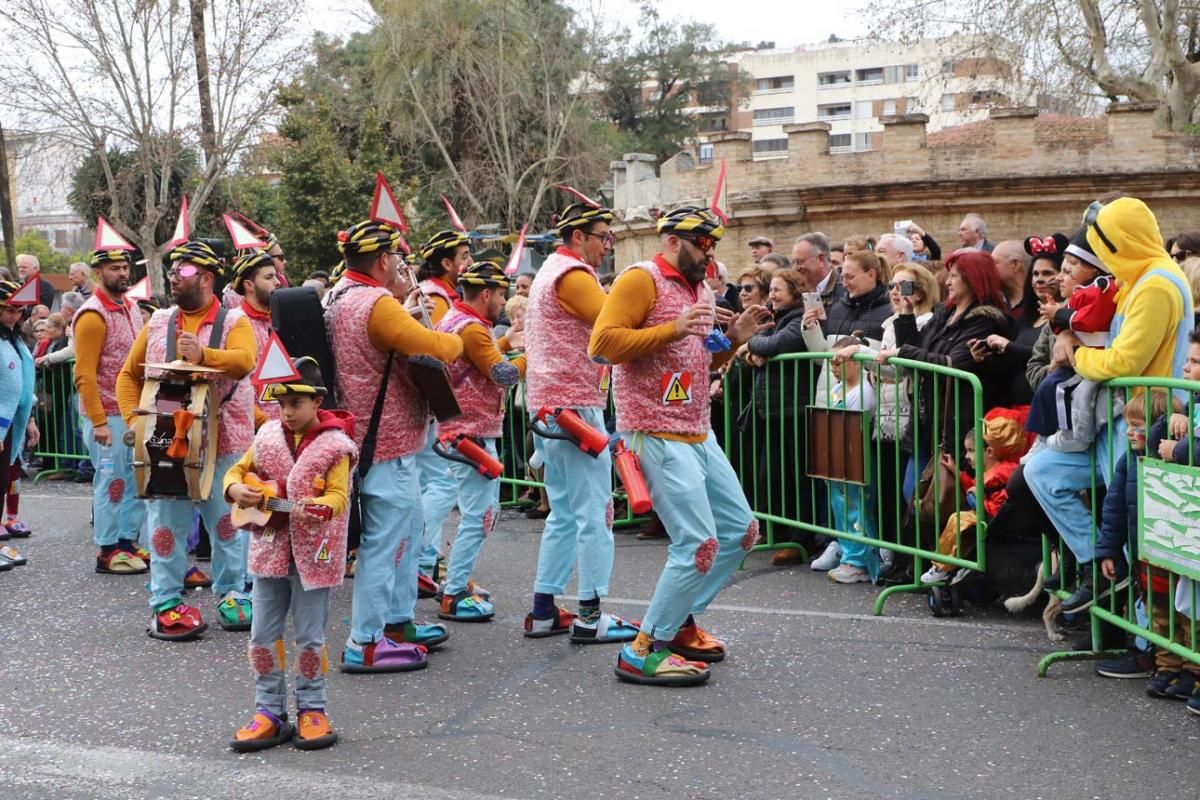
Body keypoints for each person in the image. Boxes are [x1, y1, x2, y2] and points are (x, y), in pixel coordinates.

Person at [589, 204, 772, 686]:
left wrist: (733, 339)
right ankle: (643, 649)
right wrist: (673, 327)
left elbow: (701, 358)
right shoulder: (639, 279)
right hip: (652, 431)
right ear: (673, 241)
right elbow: (602, 345)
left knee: (740, 532)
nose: (709, 255)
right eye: (702, 244)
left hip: (697, 430)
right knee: (698, 543)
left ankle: (678, 623)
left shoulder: (700, 287)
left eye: (713, 245)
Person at [1025, 198, 1193, 584]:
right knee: (1042, 473)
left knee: (1140, 529)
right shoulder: (1137, 277)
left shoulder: (1156, 285)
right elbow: (1088, 315)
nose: (1099, 254)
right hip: (1119, 416)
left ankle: (1143, 631)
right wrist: (1067, 330)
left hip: (1145, 419)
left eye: (1103, 244)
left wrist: (1075, 355)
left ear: (1119, 242)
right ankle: (1100, 569)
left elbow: (1123, 362)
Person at [323, 219, 463, 672]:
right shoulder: (376, 303)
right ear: (383, 260)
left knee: (405, 534)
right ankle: (365, 640)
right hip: (383, 445)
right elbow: (436, 347)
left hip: (365, 437)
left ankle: (397, 622)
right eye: (397, 259)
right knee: (385, 544)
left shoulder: (336, 294)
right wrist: (463, 334)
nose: (402, 266)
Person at [116, 240, 257, 640]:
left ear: (208, 278)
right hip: (165, 439)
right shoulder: (159, 321)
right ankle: (165, 602)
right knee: (166, 524)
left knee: (229, 523)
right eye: (174, 268)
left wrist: (205, 355)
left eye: (185, 269)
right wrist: (135, 422)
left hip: (226, 440)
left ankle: (233, 593)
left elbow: (245, 361)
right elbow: (128, 376)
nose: (175, 274)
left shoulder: (234, 321)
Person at [226, 357, 357, 752]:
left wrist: (320, 507)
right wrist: (236, 491)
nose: (287, 411)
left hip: (314, 555)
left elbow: (338, 495)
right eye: (282, 402)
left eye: (296, 402)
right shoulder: (266, 435)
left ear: (318, 401)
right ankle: (268, 710)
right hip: (269, 550)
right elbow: (236, 472)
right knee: (262, 636)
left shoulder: (337, 446)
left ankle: (312, 708)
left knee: (310, 638)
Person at [524, 197, 637, 643]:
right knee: (596, 512)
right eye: (602, 238)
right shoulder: (571, 273)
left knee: (566, 514)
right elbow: (617, 319)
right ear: (578, 237)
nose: (607, 246)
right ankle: (590, 615)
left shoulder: (550, 271)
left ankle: (544, 609)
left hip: (554, 404)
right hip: (572, 405)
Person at [830, 263, 941, 574]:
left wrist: (873, 360)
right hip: (886, 411)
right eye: (892, 285)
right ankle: (893, 553)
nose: (895, 291)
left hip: (912, 411)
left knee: (914, 490)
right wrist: (868, 357)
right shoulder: (892, 321)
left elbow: (903, 366)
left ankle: (916, 559)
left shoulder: (928, 320)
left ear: (920, 290)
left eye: (903, 286)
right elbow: (885, 366)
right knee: (888, 489)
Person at [434, 263, 526, 623]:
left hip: (463, 429)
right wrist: (534, 357)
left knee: (477, 514)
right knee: (480, 516)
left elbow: (474, 361)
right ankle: (455, 592)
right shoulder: (473, 328)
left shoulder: (459, 320)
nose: (503, 301)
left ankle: (455, 579)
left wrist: (503, 342)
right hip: (471, 433)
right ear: (486, 294)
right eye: (502, 294)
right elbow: (501, 373)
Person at [879, 250, 1012, 462]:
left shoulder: (985, 320)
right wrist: (906, 312)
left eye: (954, 276)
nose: (947, 282)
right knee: (913, 489)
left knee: (943, 491)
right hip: (927, 419)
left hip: (959, 425)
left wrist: (903, 352)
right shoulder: (944, 313)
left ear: (972, 279)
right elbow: (915, 346)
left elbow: (951, 365)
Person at [73, 247, 148, 575]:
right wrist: (99, 421)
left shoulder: (130, 307)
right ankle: (107, 550)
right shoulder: (92, 315)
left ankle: (126, 543)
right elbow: (84, 374)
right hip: (107, 415)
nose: (122, 273)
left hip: (131, 412)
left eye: (124, 267)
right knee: (112, 482)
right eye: (114, 268)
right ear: (98, 273)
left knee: (135, 481)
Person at [1024, 230, 1118, 459]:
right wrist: (1057, 320)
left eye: (1069, 269)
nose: (1058, 277)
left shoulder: (1102, 288)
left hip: (1094, 360)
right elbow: (1061, 329)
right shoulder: (1079, 293)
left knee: (1075, 395)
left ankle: (1073, 436)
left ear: (1093, 268)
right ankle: (1045, 436)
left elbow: (1089, 319)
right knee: (1052, 388)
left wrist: (1059, 315)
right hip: (1080, 362)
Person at [742, 268, 812, 567]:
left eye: (778, 289)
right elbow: (758, 345)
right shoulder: (775, 319)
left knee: (793, 478)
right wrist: (751, 350)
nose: (772, 294)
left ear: (794, 292)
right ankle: (776, 531)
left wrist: (752, 344)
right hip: (770, 410)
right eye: (770, 289)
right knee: (769, 477)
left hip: (791, 409)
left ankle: (798, 540)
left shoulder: (799, 318)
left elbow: (772, 345)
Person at [920, 414, 1024, 584]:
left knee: (957, 519)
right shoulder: (995, 471)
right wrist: (957, 472)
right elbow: (975, 486)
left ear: (989, 451)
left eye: (971, 451)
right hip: (991, 516)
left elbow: (998, 506)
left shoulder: (998, 474)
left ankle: (942, 566)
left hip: (995, 519)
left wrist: (977, 499)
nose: (967, 456)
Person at [984, 235, 1067, 406]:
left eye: (1047, 273)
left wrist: (1010, 347)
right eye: (1035, 274)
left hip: (1049, 406)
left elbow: (1052, 357)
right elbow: (1013, 362)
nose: (1039, 279)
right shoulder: (1027, 316)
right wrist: (985, 356)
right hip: (1016, 408)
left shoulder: (1068, 316)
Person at [824, 334, 879, 584]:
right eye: (832, 363)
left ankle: (859, 560)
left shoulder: (863, 392)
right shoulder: (837, 389)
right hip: (836, 455)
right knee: (841, 508)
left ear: (855, 362)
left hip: (853, 457)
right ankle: (847, 553)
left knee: (857, 509)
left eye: (839, 362)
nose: (834, 369)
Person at [0, 280, 39, 564]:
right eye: (7, 310)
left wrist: (30, 419)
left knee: (4, 481)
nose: (13, 316)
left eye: (18, 311)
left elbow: (23, 386)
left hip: (13, 421)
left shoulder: (12, 338)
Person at [229, 248, 283, 425]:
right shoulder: (233, 323)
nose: (277, 282)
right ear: (249, 285)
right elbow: (231, 389)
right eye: (269, 278)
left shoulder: (282, 318)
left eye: (276, 276)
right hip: (253, 430)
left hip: (288, 423)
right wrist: (265, 423)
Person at [813, 249, 892, 341]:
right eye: (843, 277)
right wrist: (812, 330)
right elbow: (824, 351)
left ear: (871, 275)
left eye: (850, 277)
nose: (844, 284)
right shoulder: (835, 310)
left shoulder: (891, 312)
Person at [417, 229, 472, 323]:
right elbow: (437, 337)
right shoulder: (436, 299)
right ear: (447, 264)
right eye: (465, 257)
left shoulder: (442, 294)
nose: (471, 262)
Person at [791, 233, 841, 309]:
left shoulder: (846, 291)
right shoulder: (796, 295)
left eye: (799, 262)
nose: (795, 268)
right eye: (793, 263)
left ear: (821, 260)